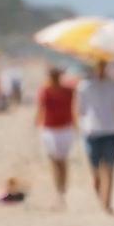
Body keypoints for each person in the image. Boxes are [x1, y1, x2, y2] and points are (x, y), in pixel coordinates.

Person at [76, 59, 114, 214]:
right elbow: (80, 109)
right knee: (96, 173)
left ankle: (107, 204)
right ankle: (102, 197)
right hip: (92, 132)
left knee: (110, 169)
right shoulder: (85, 86)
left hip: (112, 131)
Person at [35, 65, 76, 209]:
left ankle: (62, 192)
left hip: (64, 128)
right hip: (50, 129)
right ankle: (59, 192)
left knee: (62, 161)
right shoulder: (45, 90)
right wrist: (37, 123)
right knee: (54, 161)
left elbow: (75, 107)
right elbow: (41, 109)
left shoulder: (68, 90)